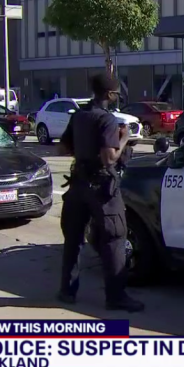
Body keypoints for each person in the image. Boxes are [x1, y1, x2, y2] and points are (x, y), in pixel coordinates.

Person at [56, 74, 144, 312]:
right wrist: (124, 138)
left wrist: (84, 148)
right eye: (116, 93)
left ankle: (67, 291)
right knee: (115, 239)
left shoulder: (80, 116)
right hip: (102, 188)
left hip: (78, 186)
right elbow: (109, 158)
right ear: (109, 94)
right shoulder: (108, 120)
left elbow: (63, 147)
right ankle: (116, 297)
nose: (117, 96)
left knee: (73, 239)